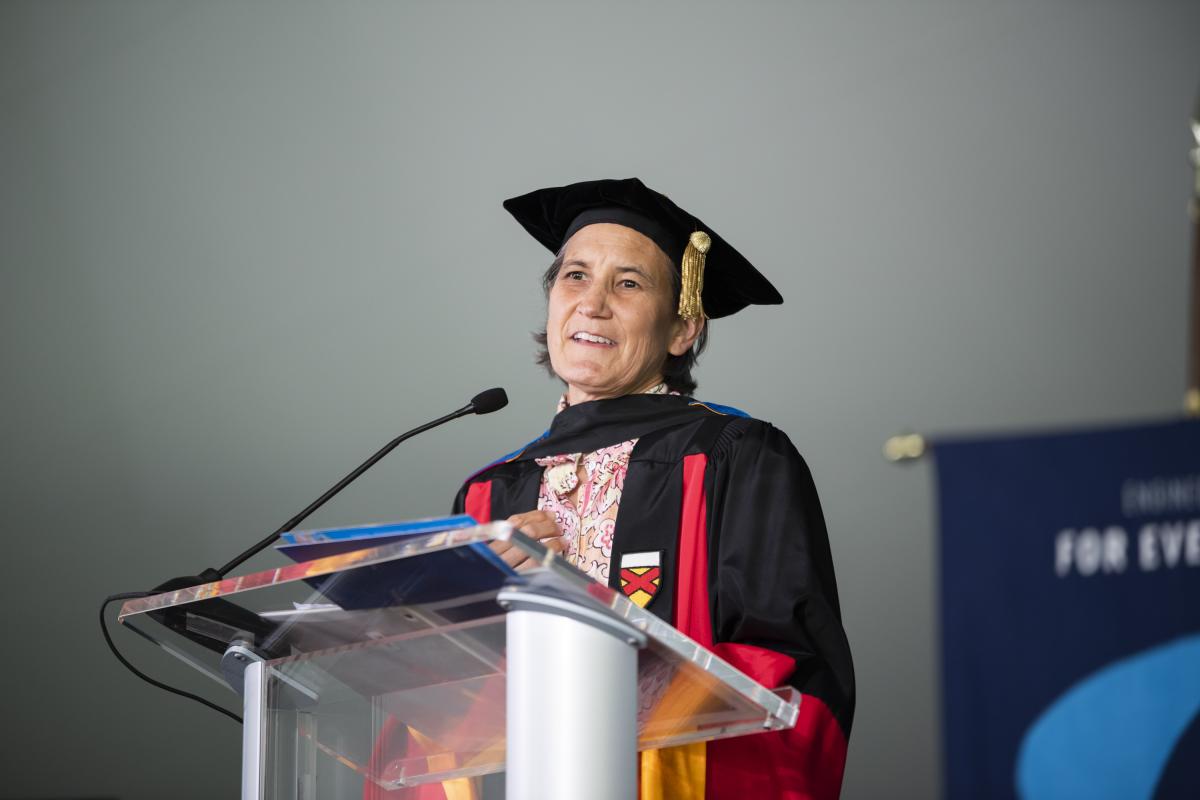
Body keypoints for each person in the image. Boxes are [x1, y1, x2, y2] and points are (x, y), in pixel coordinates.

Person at [452, 178, 855, 800]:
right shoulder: (491, 494)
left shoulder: (736, 458)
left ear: (681, 329)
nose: (592, 303)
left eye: (629, 283)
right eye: (575, 277)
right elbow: (443, 703)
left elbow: (791, 680)